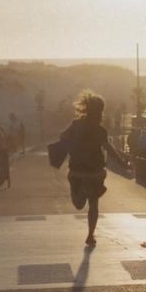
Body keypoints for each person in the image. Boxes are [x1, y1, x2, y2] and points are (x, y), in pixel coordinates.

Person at [56, 90, 129, 247]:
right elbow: (109, 149)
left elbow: (62, 136)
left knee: (78, 204)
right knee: (94, 205)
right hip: (95, 172)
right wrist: (122, 162)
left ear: (86, 108)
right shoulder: (100, 130)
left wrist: (72, 142)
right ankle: (90, 235)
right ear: (100, 112)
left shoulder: (76, 125)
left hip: (77, 170)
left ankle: (81, 191)